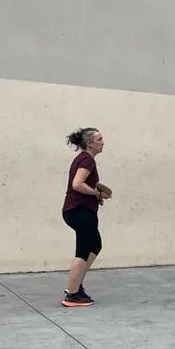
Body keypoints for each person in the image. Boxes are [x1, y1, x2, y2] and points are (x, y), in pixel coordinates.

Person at [61, 127, 110, 307]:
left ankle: (76, 285)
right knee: (83, 250)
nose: (103, 143)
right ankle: (72, 294)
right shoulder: (87, 160)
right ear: (89, 143)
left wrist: (95, 196)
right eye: (99, 139)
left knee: (95, 245)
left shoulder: (84, 159)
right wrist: (97, 194)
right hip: (79, 210)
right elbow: (77, 184)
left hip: (78, 209)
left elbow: (81, 186)